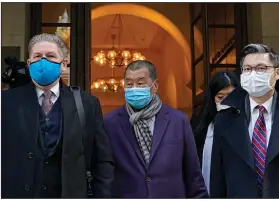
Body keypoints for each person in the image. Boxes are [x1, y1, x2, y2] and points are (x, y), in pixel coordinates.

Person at [1, 33, 114, 198]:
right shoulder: (6, 102)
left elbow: (102, 160)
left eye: (51, 56)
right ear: (29, 63)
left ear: (64, 64)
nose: (43, 61)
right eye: (37, 56)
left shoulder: (87, 104)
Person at [103, 60, 208, 198]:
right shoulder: (110, 123)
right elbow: (104, 173)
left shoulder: (177, 121)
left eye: (140, 83)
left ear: (155, 86)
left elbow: (193, 173)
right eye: (129, 84)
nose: (134, 88)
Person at [210, 44, 279, 198]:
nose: (253, 74)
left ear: (276, 73)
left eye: (261, 68)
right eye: (247, 69)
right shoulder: (225, 119)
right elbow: (218, 178)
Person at [194, 71, 241, 193]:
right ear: (212, 98)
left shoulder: (246, 123)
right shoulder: (202, 124)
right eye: (220, 97)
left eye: (231, 96)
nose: (226, 101)